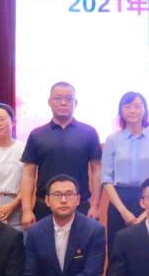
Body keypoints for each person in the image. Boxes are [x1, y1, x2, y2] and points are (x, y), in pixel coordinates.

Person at [20, 81, 102, 226]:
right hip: (44, 206)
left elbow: (97, 171)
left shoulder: (89, 132)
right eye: (58, 98)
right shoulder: (36, 134)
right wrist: (26, 210)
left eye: (69, 99)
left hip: (80, 205)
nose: (63, 103)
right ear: (49, 102)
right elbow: (28, 174)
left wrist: (95, 206)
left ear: (75, 103)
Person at [101, 91, 149, 253]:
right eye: (127, 106)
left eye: (137, 106)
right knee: (118, 252)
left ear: (145, 110)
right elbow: (106, 178)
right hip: (119, 200)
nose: (132, 110)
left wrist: (146, 213)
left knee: (147, 253)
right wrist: (124, 212)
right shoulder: (112, 140)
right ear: (120, 111)